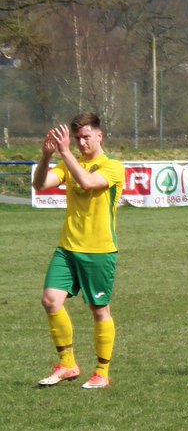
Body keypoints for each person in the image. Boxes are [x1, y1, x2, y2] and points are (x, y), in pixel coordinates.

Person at [32, 113, 125, 390]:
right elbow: (39, 184)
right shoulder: (68, 163)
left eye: (86, 137)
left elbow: (87, 182)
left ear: (100, 136)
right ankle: (68, 364)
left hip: (99, 251)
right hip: (67, 248)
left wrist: (65, 152)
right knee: (50, 300)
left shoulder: (113, 167)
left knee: (99, 310)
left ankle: (102, 372)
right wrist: (47, 156)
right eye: (77, 138)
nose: (81, 143)